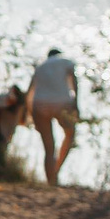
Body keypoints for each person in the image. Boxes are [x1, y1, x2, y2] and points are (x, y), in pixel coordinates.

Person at [28, 47, 79, 184]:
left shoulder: (40, 67)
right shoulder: (65, 61)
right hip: (62, 103)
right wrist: (76, 104)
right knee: (70, 134)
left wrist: (30, 113)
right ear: (59, 54)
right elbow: (74, 81)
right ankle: (56, 170)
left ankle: (51, 180)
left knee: (49, 148)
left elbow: (30, 92)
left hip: (39, 104)